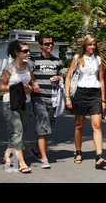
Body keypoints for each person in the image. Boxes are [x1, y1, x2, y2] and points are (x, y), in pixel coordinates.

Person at [64, 34, 106, 169]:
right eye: (90, 44)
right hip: (81, 93)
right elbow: (68, 77)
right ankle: (78, 152)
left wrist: (103, 99)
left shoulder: (98, 59)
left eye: (94, 44)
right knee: (79, 125)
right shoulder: (77, 59)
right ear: (84, 45)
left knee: (97, 125)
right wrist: (67, 97)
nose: (92, 47)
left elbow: (101, 80)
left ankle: (99, 156)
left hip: (95, 94)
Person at [0, 40, 40, 174]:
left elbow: (32, 80)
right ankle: (21, 163)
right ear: (16, 52)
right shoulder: (9, 68)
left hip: (26, 103)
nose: (28, 53)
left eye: (28, 51)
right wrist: (19, 90)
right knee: (17, 132)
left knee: (20, 130)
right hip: (11, 103)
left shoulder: (28, 66)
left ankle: (7, 154)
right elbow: (1, 86)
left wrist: (34, 86)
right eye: (25, 51)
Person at [29, 34, 63, 169]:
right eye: (46, 44)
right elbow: (28, 72)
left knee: (48, 127)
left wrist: (58, 78)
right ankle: (44, 158)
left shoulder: (57, 61)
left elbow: (60, 75)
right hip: (39, 98)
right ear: (40, 46)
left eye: (51, 43)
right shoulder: (33, 60)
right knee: (43, 125)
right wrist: (33, 83)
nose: (50, 46)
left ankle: (35, 149)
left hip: (53, 98)